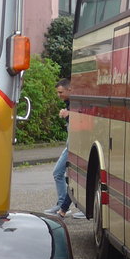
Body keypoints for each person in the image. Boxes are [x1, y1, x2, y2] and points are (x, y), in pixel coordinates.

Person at [46, 78, 83, 218]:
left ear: (69, 89)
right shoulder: (69, 103)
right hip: (71, 144)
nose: (58, 95)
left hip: (76, 145)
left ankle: (74, 208)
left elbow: (85, 118)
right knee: (59, 173)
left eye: (60, 92)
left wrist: (69, 115)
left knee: (74, 176)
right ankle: (63, 206)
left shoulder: (77, 102)